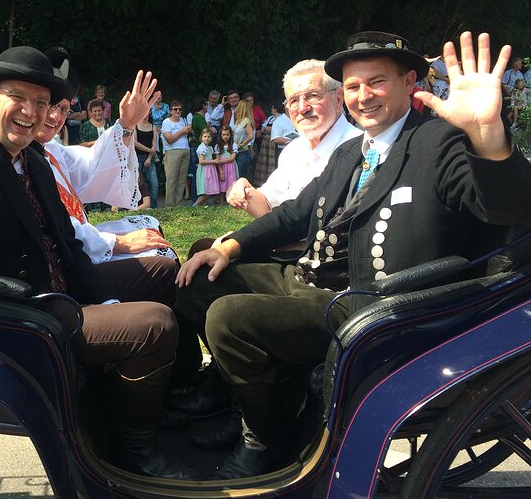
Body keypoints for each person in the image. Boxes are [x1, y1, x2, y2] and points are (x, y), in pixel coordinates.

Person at [175, 31, 531, 478]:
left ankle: (267, 440)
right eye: (352, 86)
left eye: (376, 82)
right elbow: (295, 215)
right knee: (205, 274)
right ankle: (242, 400)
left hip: (373, 307)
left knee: (228, 319)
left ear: (409, 83)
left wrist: (488, 136)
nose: (363, 96)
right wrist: (228, 246)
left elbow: (508, 208)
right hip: (310, 279)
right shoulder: (350, 152)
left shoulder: (440, 142)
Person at [0, 48, 196, 480]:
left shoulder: (34, 158)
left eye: (43, 102)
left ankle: (166, 395)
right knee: (155, 325)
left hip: (57, 288)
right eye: (19, 97)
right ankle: (132, 449)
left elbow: (67, 246)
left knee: (162, 271)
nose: (31, 112)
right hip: (18, 312)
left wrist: (104, 300)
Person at [35, 55, 178, 307]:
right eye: (51, 106)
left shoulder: (52, 150)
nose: (56, 117)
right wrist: (119, 243)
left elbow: (93, 164)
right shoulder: (22, 158)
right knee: (164, 266)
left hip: (82, 243)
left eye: (64, 110)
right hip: (69, 261)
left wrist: (125, 124)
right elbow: (53, 224)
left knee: (152, 230)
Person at [226, 59, 362, 219]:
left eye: (312, 96)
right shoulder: (293, 150)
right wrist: (244, 191)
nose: (302, 108)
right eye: (294, 101)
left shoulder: (363, 150)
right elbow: (267, 205)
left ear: (339, 99)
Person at [161, 99, 191, 207]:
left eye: (180, 109)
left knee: (182, 180)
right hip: (172, 151)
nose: (178, 111)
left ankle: (178, 205)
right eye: (175, 109)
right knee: (171, 180)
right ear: (170, 111)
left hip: (186, 150)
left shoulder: (183, 120)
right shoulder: (166, 122)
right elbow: (169, 139)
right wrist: (182, 131)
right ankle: (169, 206)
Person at [135, 111, 160, 208]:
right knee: (137, 184)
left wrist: (149, 157)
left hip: (150, 158)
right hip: (138, 157)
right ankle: (139, 206)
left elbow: (154, 143)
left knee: (155, 185)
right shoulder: (135, 126)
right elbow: (135, 143)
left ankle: (153, 207)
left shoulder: (153, 127)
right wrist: (149, 150)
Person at [193, 128, 221, 207]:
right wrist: (213, 161)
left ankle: (202, 205)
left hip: (210, 169)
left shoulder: (209, 148)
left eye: (208, 137)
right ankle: (195, 205)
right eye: (205, 136)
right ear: (201, 138)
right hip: (205, 170)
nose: (207, 138)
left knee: (209, 190)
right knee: (206, 191)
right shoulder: (201, 148)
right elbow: (201, 161)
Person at [231, 97, 255, 179]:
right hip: (236, 152)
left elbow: (251, 135)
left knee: (241, 177)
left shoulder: (246, 121)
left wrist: (241, 145)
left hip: (243, 152)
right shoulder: (239, 121)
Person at [216, 125, 239, 194]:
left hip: (231, 167)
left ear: (230, 135)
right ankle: (221, 202)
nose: (225, 136)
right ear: (221, 135)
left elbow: (232, 158)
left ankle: (231, 201)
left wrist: (220, 161)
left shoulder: (233, 145)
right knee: (222, 183)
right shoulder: (218, 146)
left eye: (227, 134)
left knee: (232, 183)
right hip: (222, 167)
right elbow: (217, 158)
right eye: (223, 134)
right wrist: (220, 170)